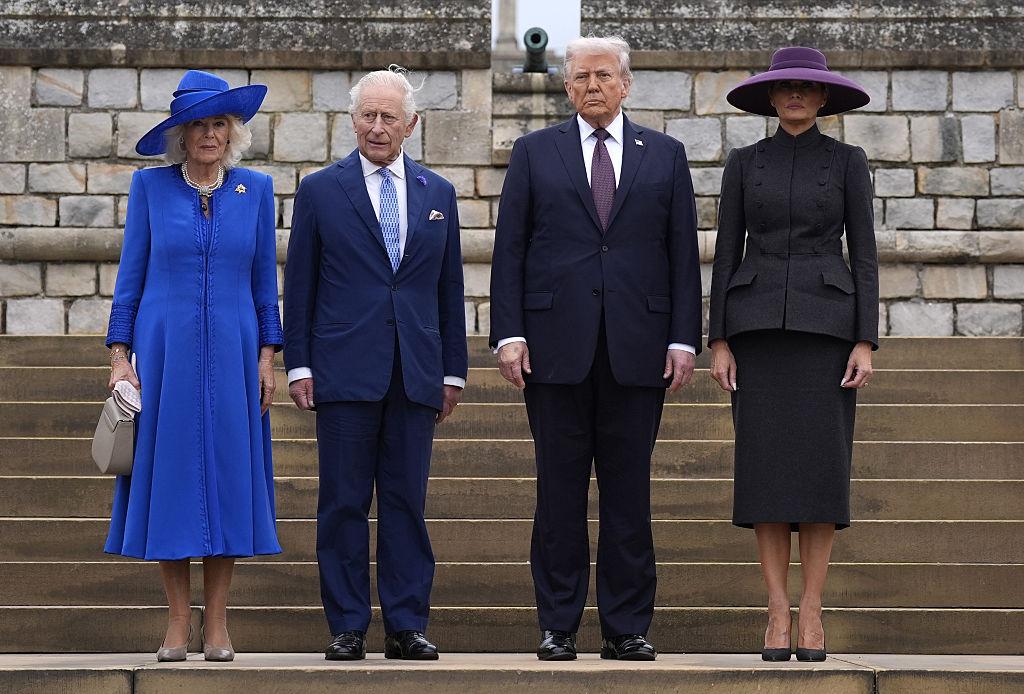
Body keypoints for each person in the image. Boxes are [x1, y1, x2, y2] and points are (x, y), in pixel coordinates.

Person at [489, 36, 702, 662]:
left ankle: (626, 626)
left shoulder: (665, 155)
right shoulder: (534, 152)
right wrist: (510, 333)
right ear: (566, 87)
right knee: (558, 495)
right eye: (581, 77)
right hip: (555, 350)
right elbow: (511, 249)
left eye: (604, 76)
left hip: (638, 349)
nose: (592, 86)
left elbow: (682, 253)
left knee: (629, 496)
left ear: (625, 84)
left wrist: (683, 337)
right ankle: (557, 625)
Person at [283, 66, 467, 662]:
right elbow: (300, 285)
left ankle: (407, 624)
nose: (378, 126)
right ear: (352, 120)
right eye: (368, 115)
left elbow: (448, 287)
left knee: (406, 503)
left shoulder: (438, 193)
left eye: (389, 116)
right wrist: (298, 364)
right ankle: (347, 625)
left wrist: (453, 370)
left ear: (411, 124)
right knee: (342, 503)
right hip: (343, 369)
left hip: (415, 371)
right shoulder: (320, 190)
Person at [708, 46, 879, 662]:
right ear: (772, 97)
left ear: (824, 97)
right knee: (767, 475)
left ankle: (812, 609)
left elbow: (865, 253)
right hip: (756, 332)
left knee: (819, 474)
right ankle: (777, 609)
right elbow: (726, 252)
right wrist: (718, 339)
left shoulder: (848, 162)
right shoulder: (744, 163)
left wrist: (865, 339)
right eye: (786, 88)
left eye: (808, 87)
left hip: (827, 333)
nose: (797, 96)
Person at [104, 69, 281, 662]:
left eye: (219, 124)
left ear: (232, 133)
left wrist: (268, 356)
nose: (209, 134)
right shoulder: (149, 188)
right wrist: (119, 357)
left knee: (228, 478)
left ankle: (219, 625)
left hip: (235, 351)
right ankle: (178, 622)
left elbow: (264, 283)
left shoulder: (256, 190)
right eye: (198, 125)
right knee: (173, 478)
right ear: (179, 135)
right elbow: (130, 276)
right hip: (164, 352)